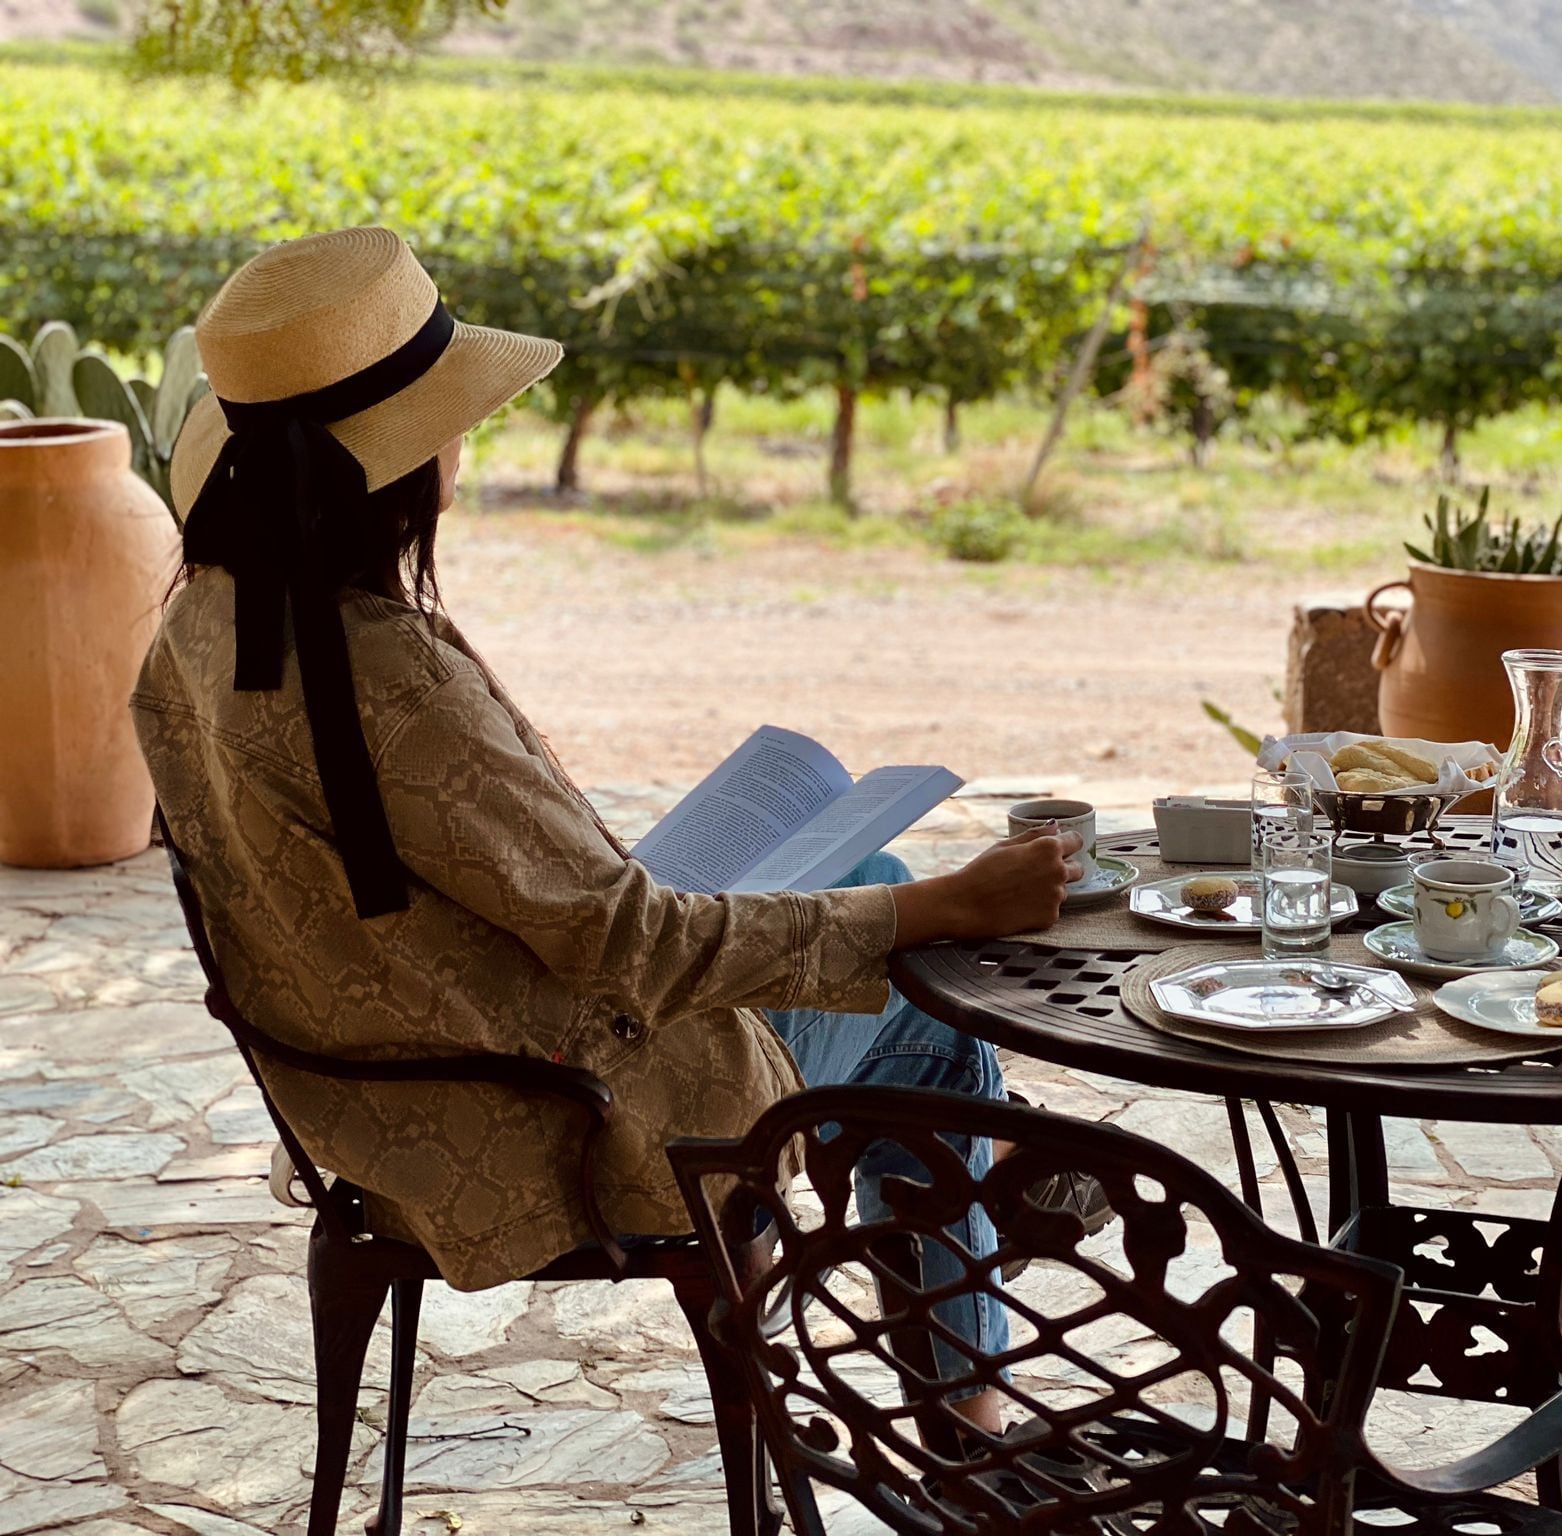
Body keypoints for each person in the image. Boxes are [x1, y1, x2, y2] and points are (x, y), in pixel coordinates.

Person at [132, 227, 1098, 1430]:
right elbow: (630, 945)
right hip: (554, 1119)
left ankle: (990, 1204)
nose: (461, 447)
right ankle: (977, 1404)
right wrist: (954, 905)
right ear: (396, 463)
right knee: (924, 1002)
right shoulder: (389, 680)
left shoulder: (204, 628)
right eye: (447, 423)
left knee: (875, 881)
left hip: (376, 1089)